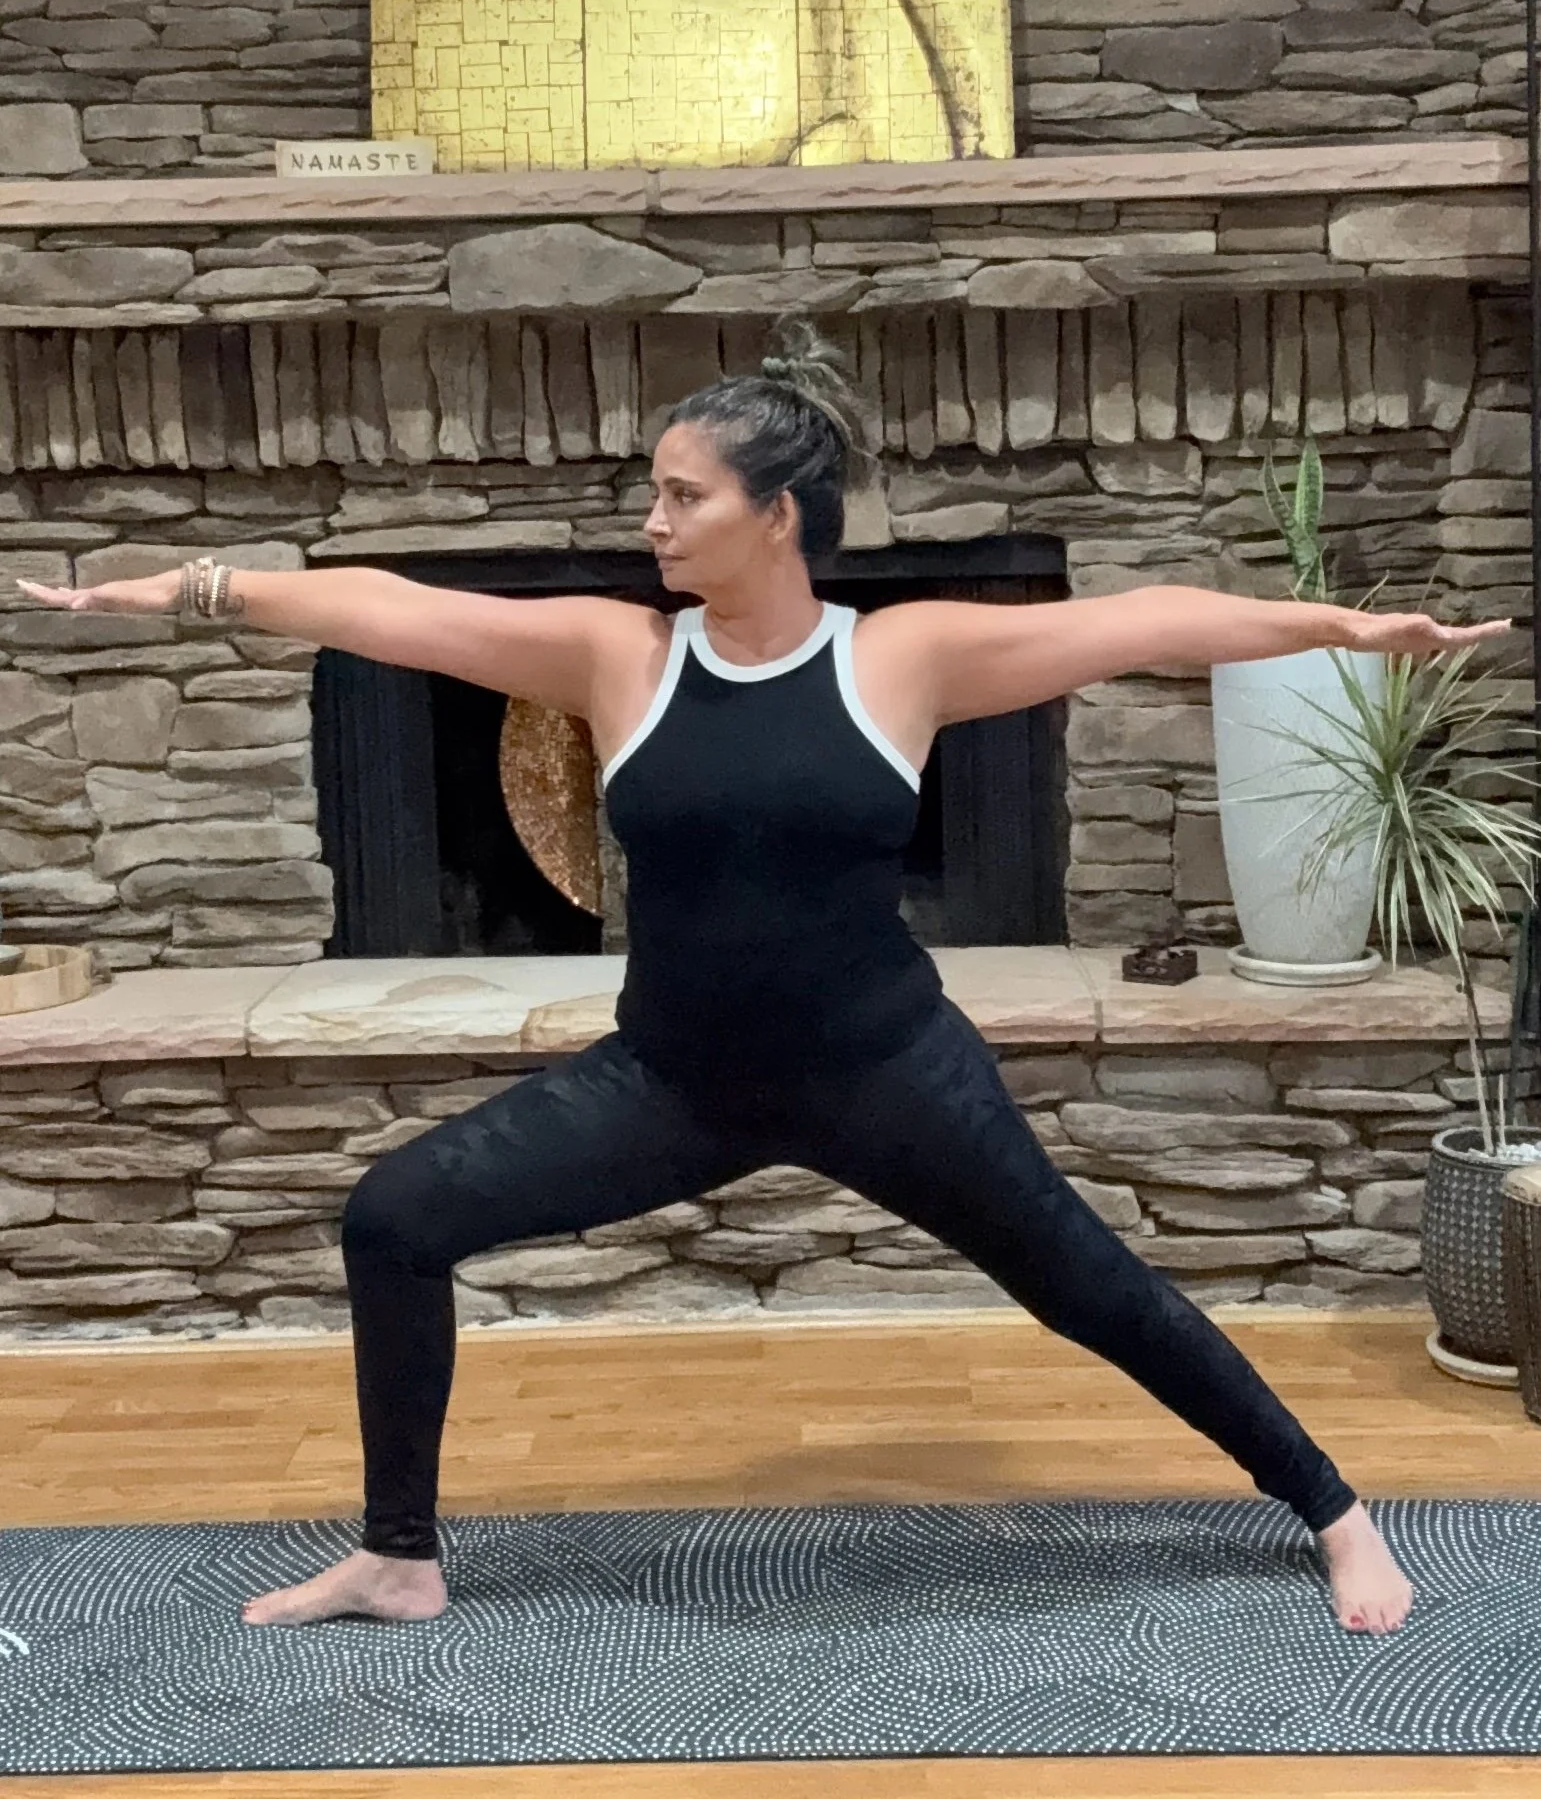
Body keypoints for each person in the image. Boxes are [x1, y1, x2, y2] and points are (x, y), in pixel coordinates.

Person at [13, 320, 1510, 1640]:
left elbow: (1141, 624)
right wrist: (185, 586)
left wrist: (1347, 629)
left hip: (891, 1077)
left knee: (1094, 1292)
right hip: (670, 1081)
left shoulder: (899, 663)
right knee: (392, 1218)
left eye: (683, 496)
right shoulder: (618, 657)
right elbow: (375, 607)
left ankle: (1329, 1507)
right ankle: (398, 1555)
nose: (652, 520)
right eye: (656, 492)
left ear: (776, 517)